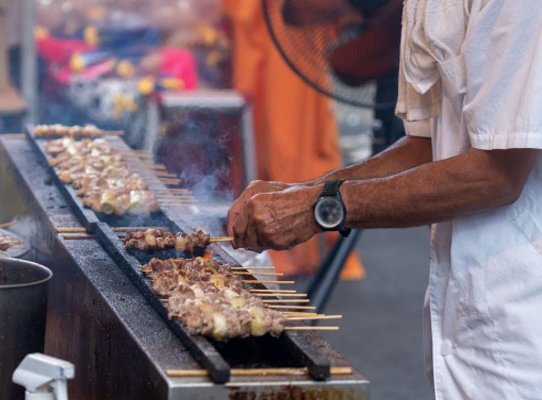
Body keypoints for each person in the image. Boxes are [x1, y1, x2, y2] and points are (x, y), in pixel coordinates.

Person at [227, 0, 542, 398]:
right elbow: (428, 143)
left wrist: (324, 207)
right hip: (461, 303)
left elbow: (497, 174)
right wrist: (309, 191)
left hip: (523, 307)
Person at [223, 0, 365, 277]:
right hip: (266, 24)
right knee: (263, 135)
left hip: (292, 34)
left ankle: (291, 245)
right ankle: (261, 233)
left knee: (287, 137)